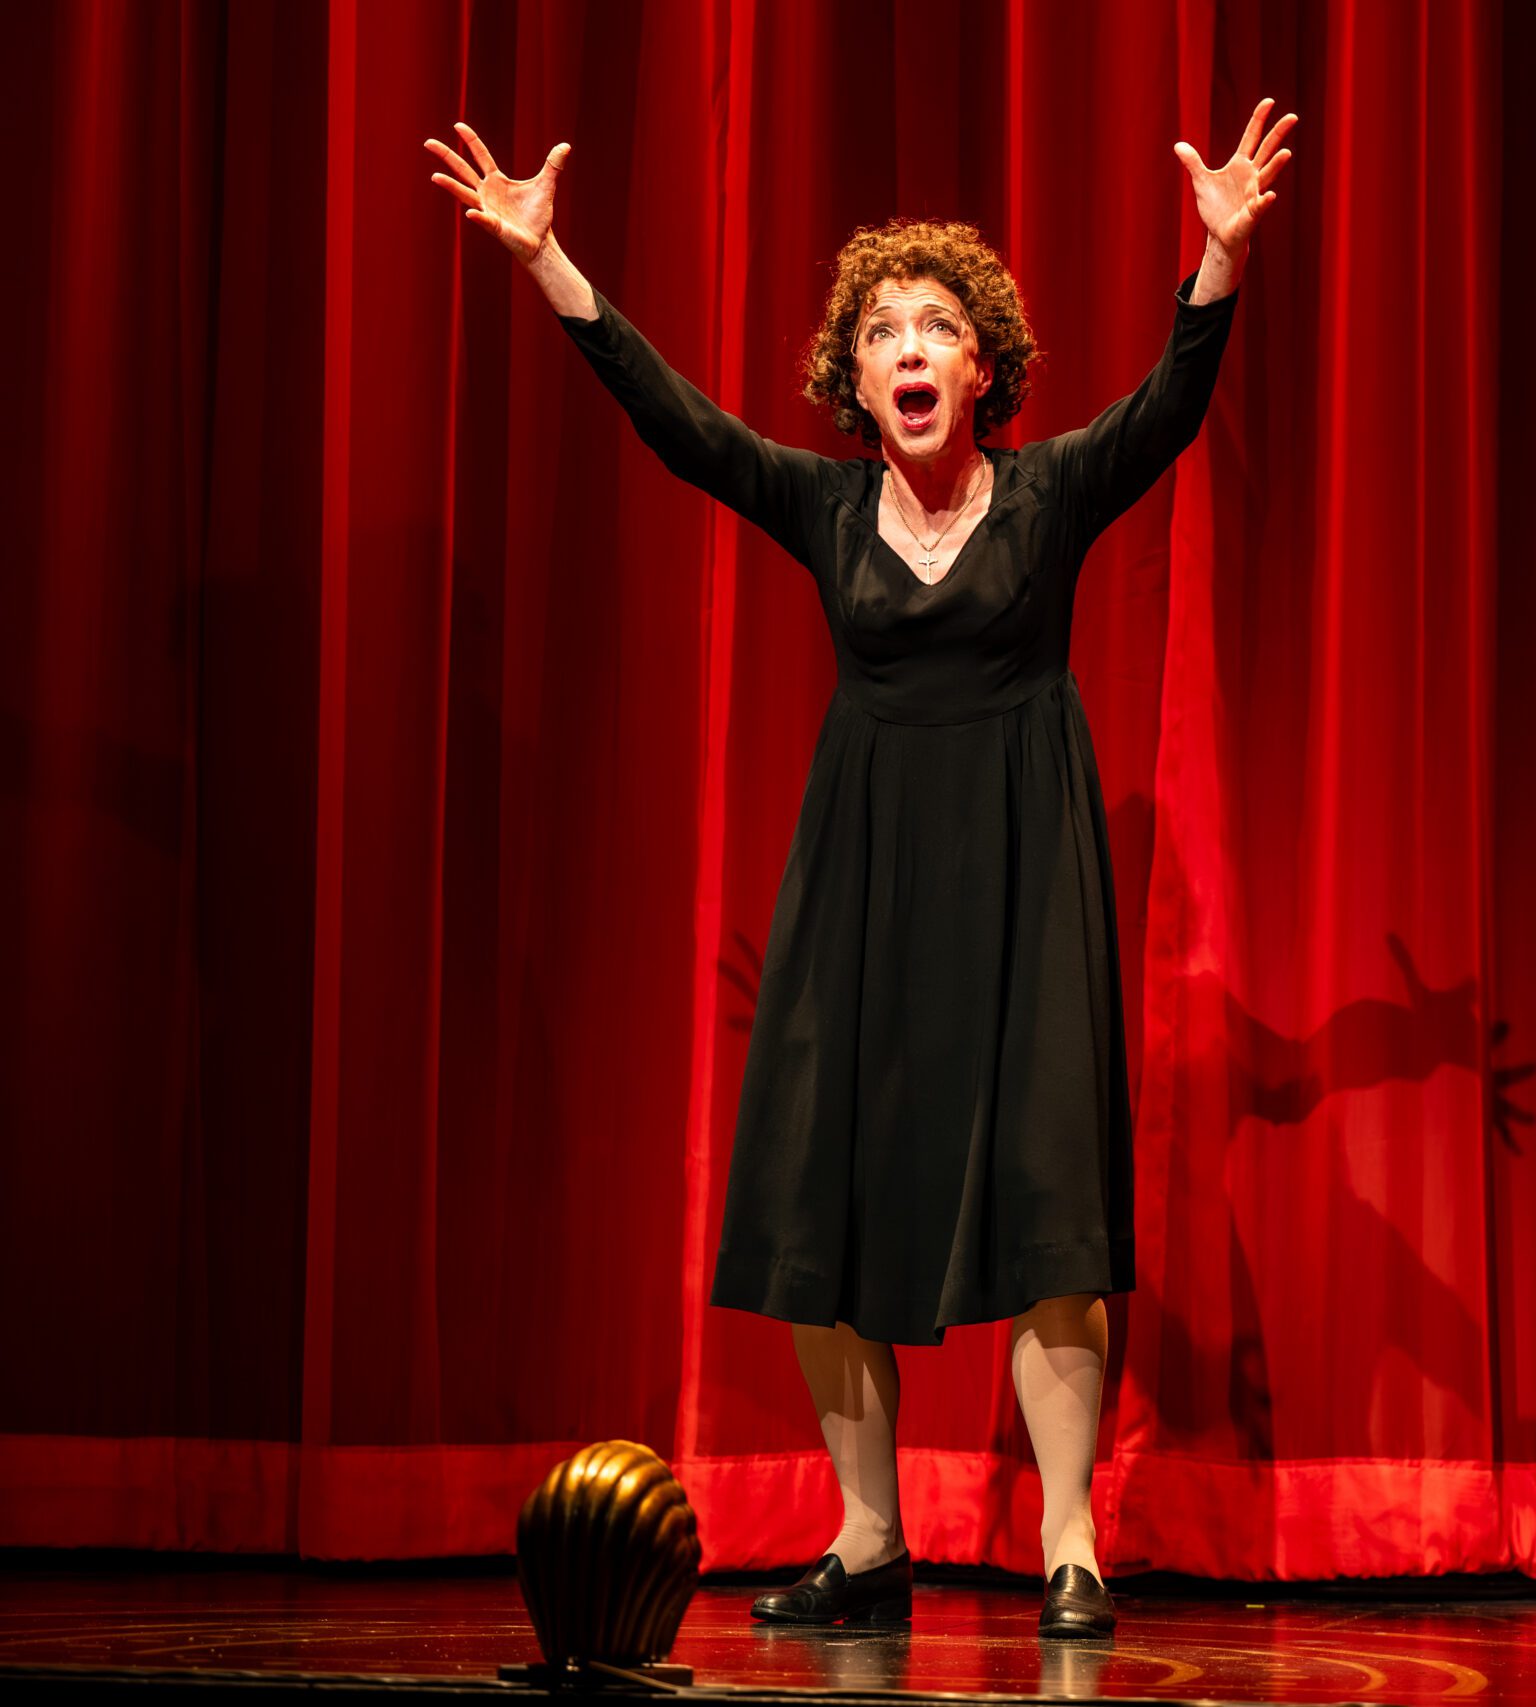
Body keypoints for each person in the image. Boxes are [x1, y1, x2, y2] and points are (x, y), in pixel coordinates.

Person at [425, 99, 1294, 1639]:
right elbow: (681, 427)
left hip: (1027, 876)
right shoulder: (827, 510)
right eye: (883, 328)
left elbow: (1168, 409)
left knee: (1051, 1213)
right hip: (865, 876)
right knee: (819, 1203)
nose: (909, 345)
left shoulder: (1048, 494)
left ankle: (1072, 1547)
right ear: (856, 377)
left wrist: (1217, 262)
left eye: (937, 325)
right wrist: (552, 264)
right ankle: (871, 1539)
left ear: (981, 368)